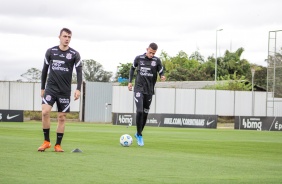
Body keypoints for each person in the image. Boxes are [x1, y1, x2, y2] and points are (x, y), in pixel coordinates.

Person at [38, 28, 82, 152]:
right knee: (45, 112)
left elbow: (79, 73)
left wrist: (78, 89)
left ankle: (58, 145)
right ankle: (46, 141)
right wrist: (42, 87)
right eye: (65, 36)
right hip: (51, 88)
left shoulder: (74, 54)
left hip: (64, 90)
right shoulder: (51, 51)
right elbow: (44, 70)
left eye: (69, 37)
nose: (67, 39)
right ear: (59, 37)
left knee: (61, 117)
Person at [128, 43, 166, 146]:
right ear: (147, 50)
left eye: (153, 53)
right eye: (150, 52)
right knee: (139, 110)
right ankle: (139, 135)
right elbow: (132, 68)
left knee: (145, 113)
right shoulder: (139, 58)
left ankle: (138, 133)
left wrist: (162, 76)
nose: (151, 55)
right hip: (139, 89)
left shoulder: (156, 61)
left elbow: (161, 71)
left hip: (149, 91)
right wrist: (130, 81)